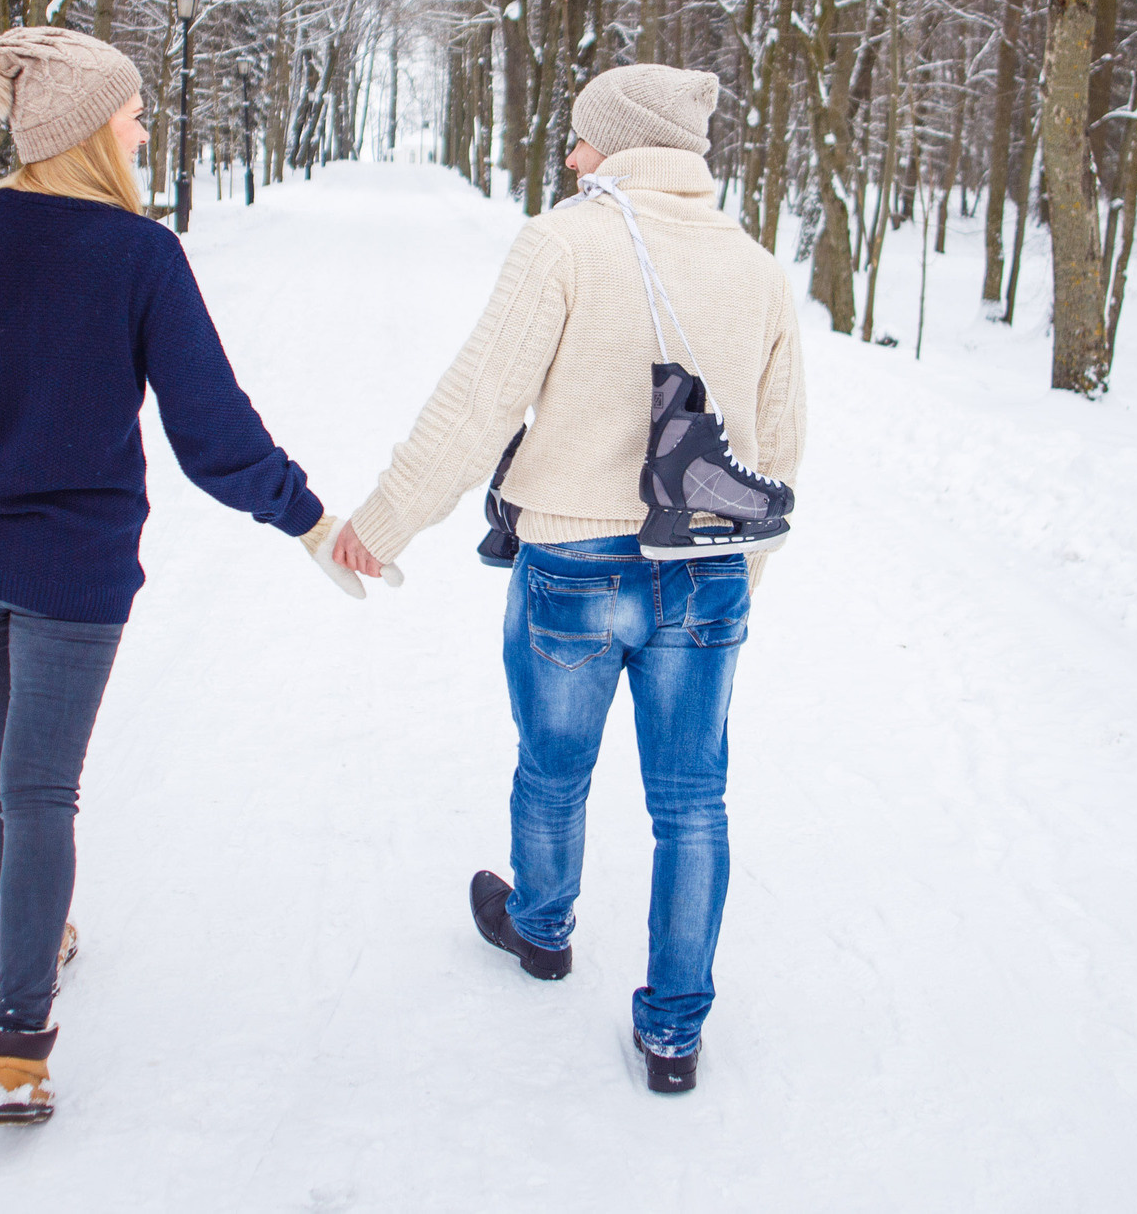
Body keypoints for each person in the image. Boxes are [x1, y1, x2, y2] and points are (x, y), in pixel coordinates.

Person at [0, 24, 377, 1126]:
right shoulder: (139, 253)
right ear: (82, 124)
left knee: (9, 770)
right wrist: (311, 519)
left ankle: (42, 936)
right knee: (38, 786)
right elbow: (212, 432)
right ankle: (17, 1043)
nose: (142, 124)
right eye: (129, 109)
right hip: (73, 575)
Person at [328, 62, 804, 1094]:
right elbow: (778, 445)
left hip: (575, 562)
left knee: (553, 767)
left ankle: (541, 927)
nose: (571, 155)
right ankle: (673, 1032)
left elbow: (480, 401)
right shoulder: (758, 266)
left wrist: (384, 520)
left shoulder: (562, 240)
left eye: (582, 139)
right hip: (704, 569)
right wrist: (739, 579)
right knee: (693, 805)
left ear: (619, 144)